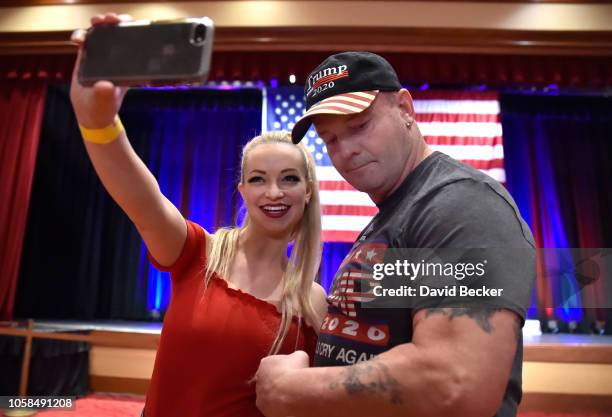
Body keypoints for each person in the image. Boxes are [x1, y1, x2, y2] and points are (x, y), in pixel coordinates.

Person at [69, 13, 328, 417]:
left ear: (307, 191)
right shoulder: (199, 254)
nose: (274, 192)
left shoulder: (314, 304)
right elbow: (142, 197)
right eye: (258, 179)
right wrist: (97, 122)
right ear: (242, 190)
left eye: (289, 178)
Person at [255, 52, 535, 417]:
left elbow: (454, 382)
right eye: (330, 139)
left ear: (405, 109)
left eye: (358, 126)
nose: (345, 151)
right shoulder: (396, 213)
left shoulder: (462, 203)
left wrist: (291, 389)